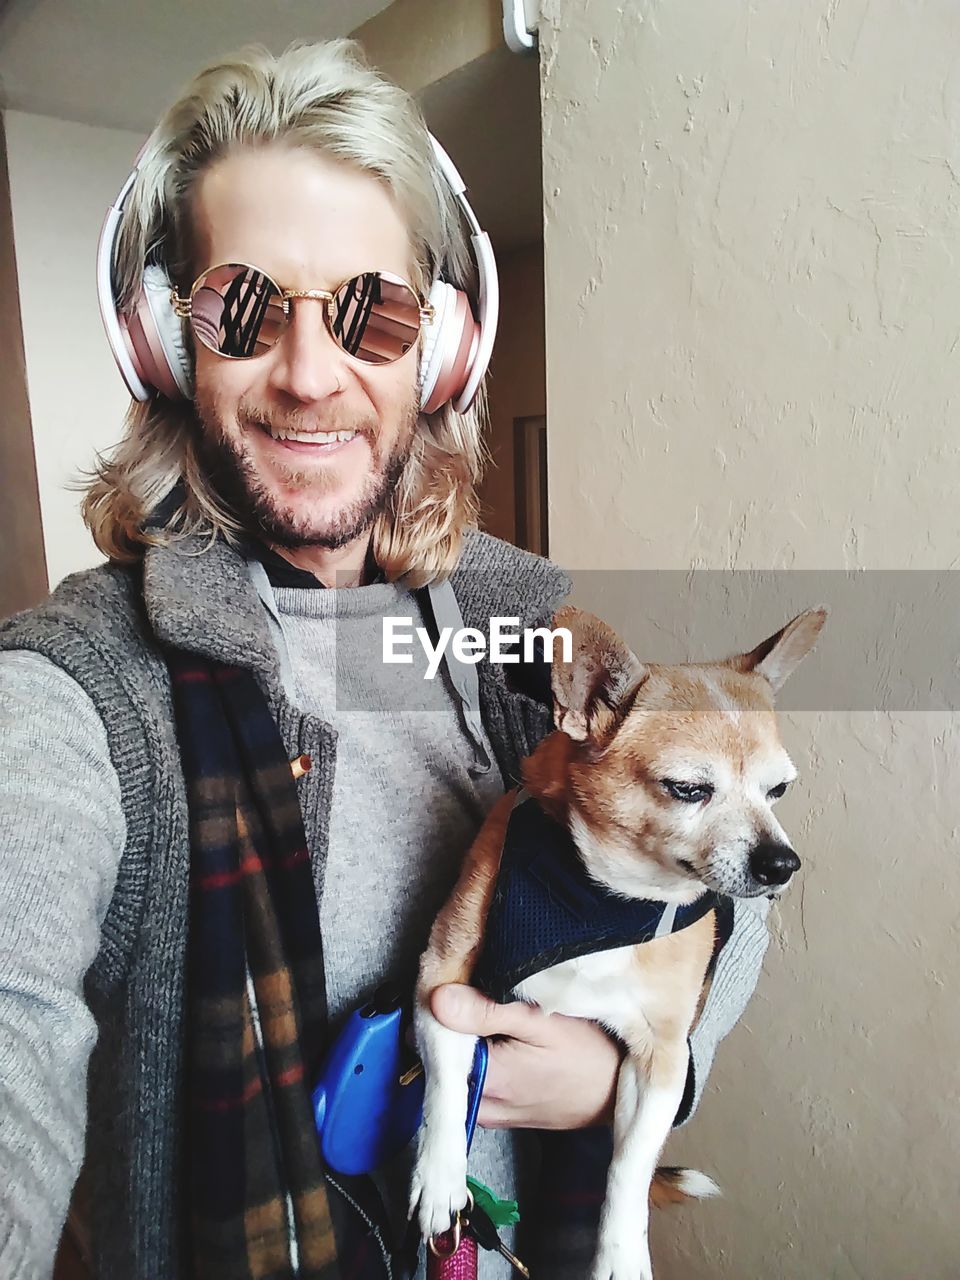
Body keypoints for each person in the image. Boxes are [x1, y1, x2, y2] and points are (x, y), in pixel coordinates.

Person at [0, 40, 771, 1280]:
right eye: (241, 312)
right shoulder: (80, 698)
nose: (309, 376)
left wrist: (633, 1075)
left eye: (373, 310)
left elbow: (730, 868)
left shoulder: (513, 637)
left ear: (443, 346)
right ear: (163, 340)